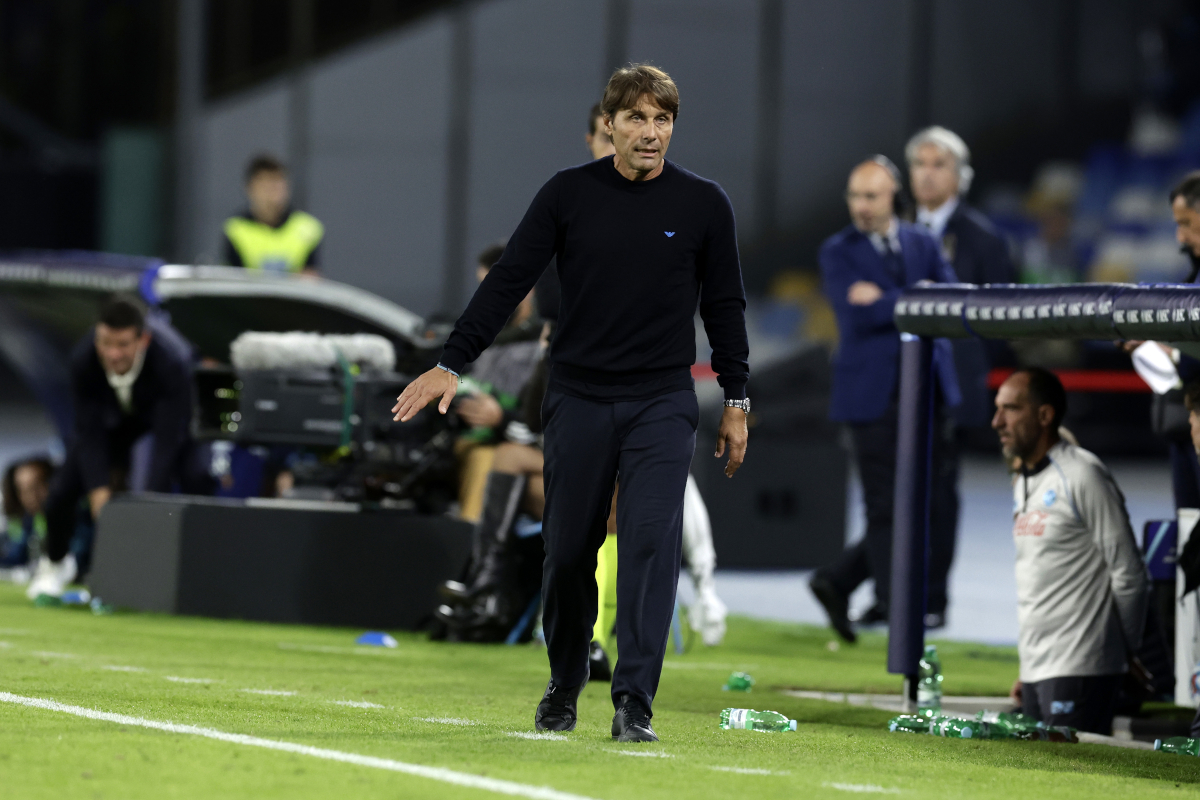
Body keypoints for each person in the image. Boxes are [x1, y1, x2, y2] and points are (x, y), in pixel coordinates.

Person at [393, 64, 750, 743]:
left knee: (650, 543)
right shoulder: (566, 195)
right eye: (638, 118)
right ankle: (563, 682)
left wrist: (736, 398)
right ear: (607, 125)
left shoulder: (705, 204)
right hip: (580, 397)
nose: (652, 132)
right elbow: (506, 285)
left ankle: (634, 702)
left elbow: (725, 307)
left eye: (664, 119)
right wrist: (449, 363)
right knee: (566, 552)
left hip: (662, 401)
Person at [809, 156, 960, 643]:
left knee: (924, 503)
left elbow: (954, 299)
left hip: (927, 392)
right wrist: (919, 295)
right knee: (886, 507)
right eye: (854, 196)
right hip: (870, 398)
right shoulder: (837, 250)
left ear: (893, 194)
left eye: (871, 196)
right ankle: (901, 616)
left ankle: (838, 580)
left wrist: (887, 298)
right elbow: (857, 320)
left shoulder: (923, 240)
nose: (861, 206)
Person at [993, 368, 1148, 735]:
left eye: (1011, 409)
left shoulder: (1082, 475)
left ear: (1045, 416)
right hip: (1038, 669)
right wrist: (1029, 668)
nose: (997, 421)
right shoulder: (1026, 480)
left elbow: (1129, 574)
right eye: (998, 409)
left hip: (1082, 667)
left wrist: (1122, 653)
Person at [25, 295, 196, 600]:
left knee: (191, 476)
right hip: (110, 426)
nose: (112, 354)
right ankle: (56, 562)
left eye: (122, 345)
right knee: (61, 492)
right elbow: (88, 433)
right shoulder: (83, 360)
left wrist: (145, 505)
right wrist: (99, 491)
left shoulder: (171, 364)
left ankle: (175, 576)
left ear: (142, 340)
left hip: (163, 425)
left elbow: (166, 444)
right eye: (105, 343)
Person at [908, 126, 1015, 435]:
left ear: (960, 176)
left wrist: (970, 361)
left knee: (941, 478)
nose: (927, 174)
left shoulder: (983, 239)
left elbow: (1000, 318)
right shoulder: (894, 234)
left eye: (938, 164)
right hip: (899, 383)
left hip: (955, 384)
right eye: (919, 164)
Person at [222, 154, 324, 274]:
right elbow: (233, 281)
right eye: (266, 184)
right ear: (249, 188)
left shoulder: (308, 228)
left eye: (278, 182)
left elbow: (310, 279)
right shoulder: (236, 229)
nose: (274, 191)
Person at [1, 457, 53, 578]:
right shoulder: (28, 520)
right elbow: (17, 555)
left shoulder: (72, 520)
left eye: (36, 486)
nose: (30, 496)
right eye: (22, 490)